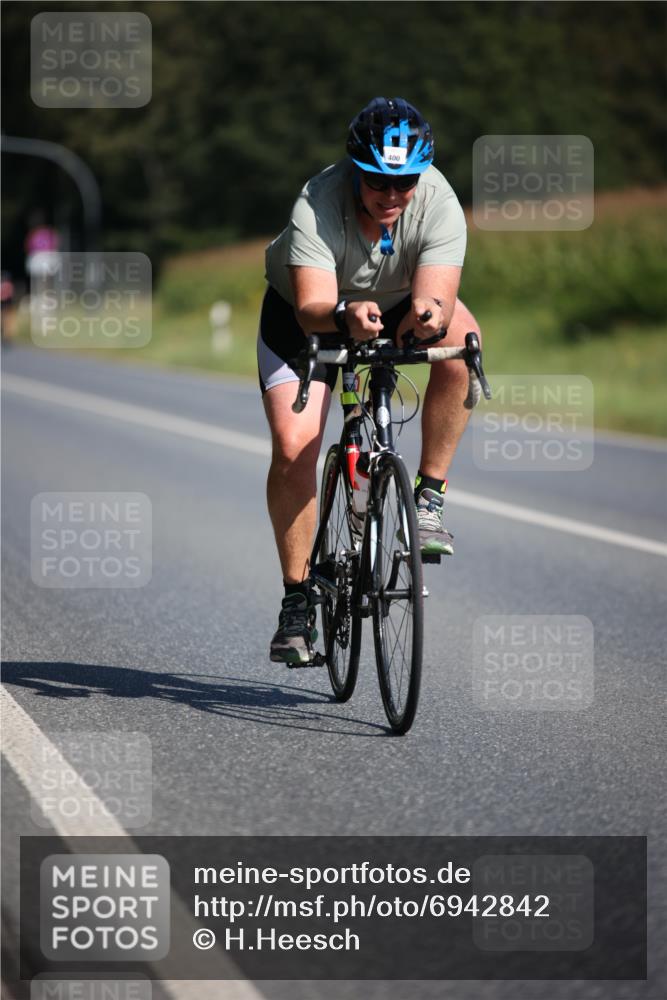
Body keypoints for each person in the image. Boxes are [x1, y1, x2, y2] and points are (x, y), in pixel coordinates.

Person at [258, 96, 481, 665]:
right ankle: (297, 601)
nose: (392, 194)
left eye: (404, 181)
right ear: (356, 170)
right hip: (307, 315)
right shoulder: (317, 200)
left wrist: (428, 317)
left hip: (394, 303)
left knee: (463, 339)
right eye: (379, 181)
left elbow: (436, 294)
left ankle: (427, 498)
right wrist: (344, 317)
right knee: (293, 446)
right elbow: (311, 304)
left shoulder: (439, 202)